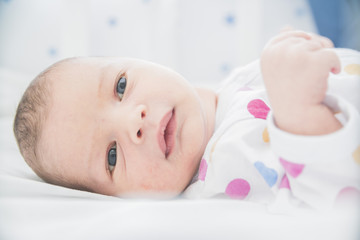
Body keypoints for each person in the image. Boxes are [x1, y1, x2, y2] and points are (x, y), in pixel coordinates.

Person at [13, 30, 360, 211]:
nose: (134, 122)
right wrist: (297, 109)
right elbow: (334, 196)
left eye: (121, 86)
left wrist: (300, 53)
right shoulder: (224, 174)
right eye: (111, 156)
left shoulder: (235, 83)